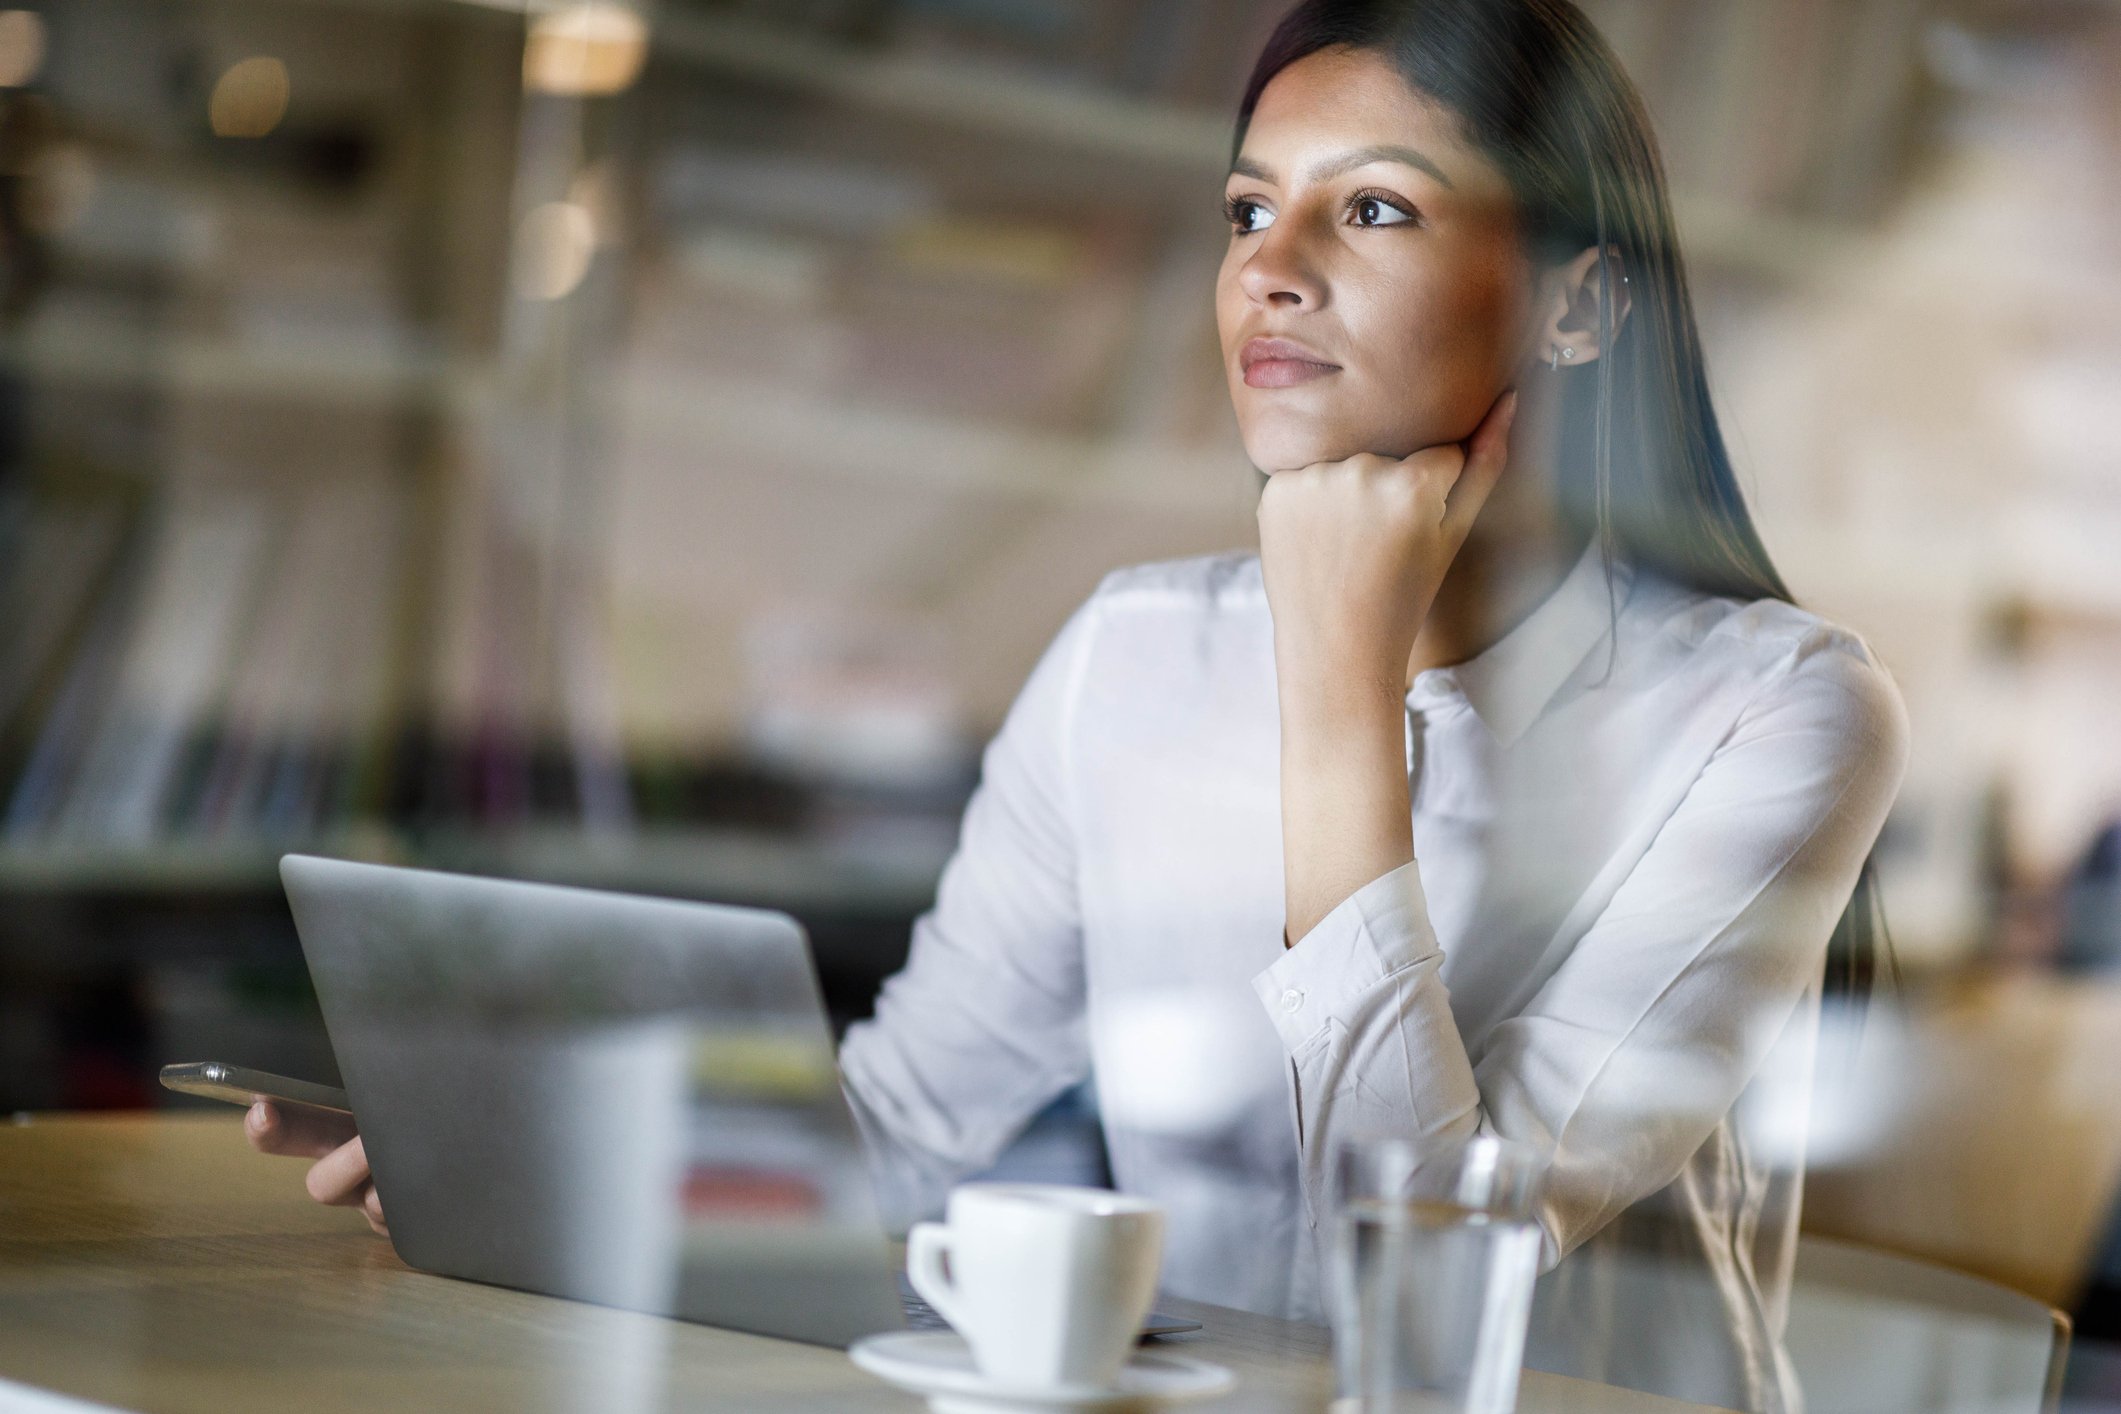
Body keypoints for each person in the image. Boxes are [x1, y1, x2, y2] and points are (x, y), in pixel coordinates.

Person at [247, 2, 1907, 1409]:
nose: (1272, 270)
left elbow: (1419, 1269)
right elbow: (905, 1135)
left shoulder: (1776, 711)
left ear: (1579, 299)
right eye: (1249, 210)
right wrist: (527, 1158)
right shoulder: (1133, 652)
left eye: (1375, 210)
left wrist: (1337, 685)